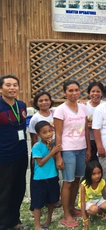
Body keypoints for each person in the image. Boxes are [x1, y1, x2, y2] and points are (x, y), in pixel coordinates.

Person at [54, 80, 91, 228]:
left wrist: (88, 148)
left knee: (77, 180)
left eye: (76, 90)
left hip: (81, 149)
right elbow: (57, 134)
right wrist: (58, 155)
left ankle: (71, 208)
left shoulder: (83, 108)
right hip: (67, 150)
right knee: (68, 182)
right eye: (70, 90)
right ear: (64, 92)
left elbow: (86, 130)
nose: (74, 93)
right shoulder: (60, 110)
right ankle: (66, 214)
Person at [0, 75, 29, 230]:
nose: (12, 88)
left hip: (21, 154)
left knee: (18, 189)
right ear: (1, 89)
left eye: (15, 85)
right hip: (4, 156)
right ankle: (3, 224)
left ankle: (14, 221)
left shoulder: (22, 105)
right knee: (4, 191)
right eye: (8, 85)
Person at [31, 121, 61, 230]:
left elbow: (54, 159)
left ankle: (48, 219)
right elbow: (40, 163)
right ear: (38, 135)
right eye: (44, 132)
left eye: (50, 131)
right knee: (38, 203)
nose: (48, 134)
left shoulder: (52, 144)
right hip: (40, 179)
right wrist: (52, 152)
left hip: (52, 176)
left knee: (52, 200)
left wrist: (51, 149)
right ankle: (37, 225)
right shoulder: (36, 146)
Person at [79, 161, 106, 230]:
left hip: (98, 200)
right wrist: (85, 219)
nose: (97, 176)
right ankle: (87, 213)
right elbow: (82, 202)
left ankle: (99, 212)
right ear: (88, 174)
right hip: (88, 202)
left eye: (99, 172)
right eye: (94, 174)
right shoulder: (83, 185)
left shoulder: (102, 182)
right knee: (94, 209)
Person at [86, 81, 105, 162]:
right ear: (89, 93)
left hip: (103, 140)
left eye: (98, 91)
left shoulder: (105, 106)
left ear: (102, 93)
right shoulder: (84, 106)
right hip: (88, 141)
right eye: (93, 91)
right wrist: (86, 125)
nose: (95, 93)